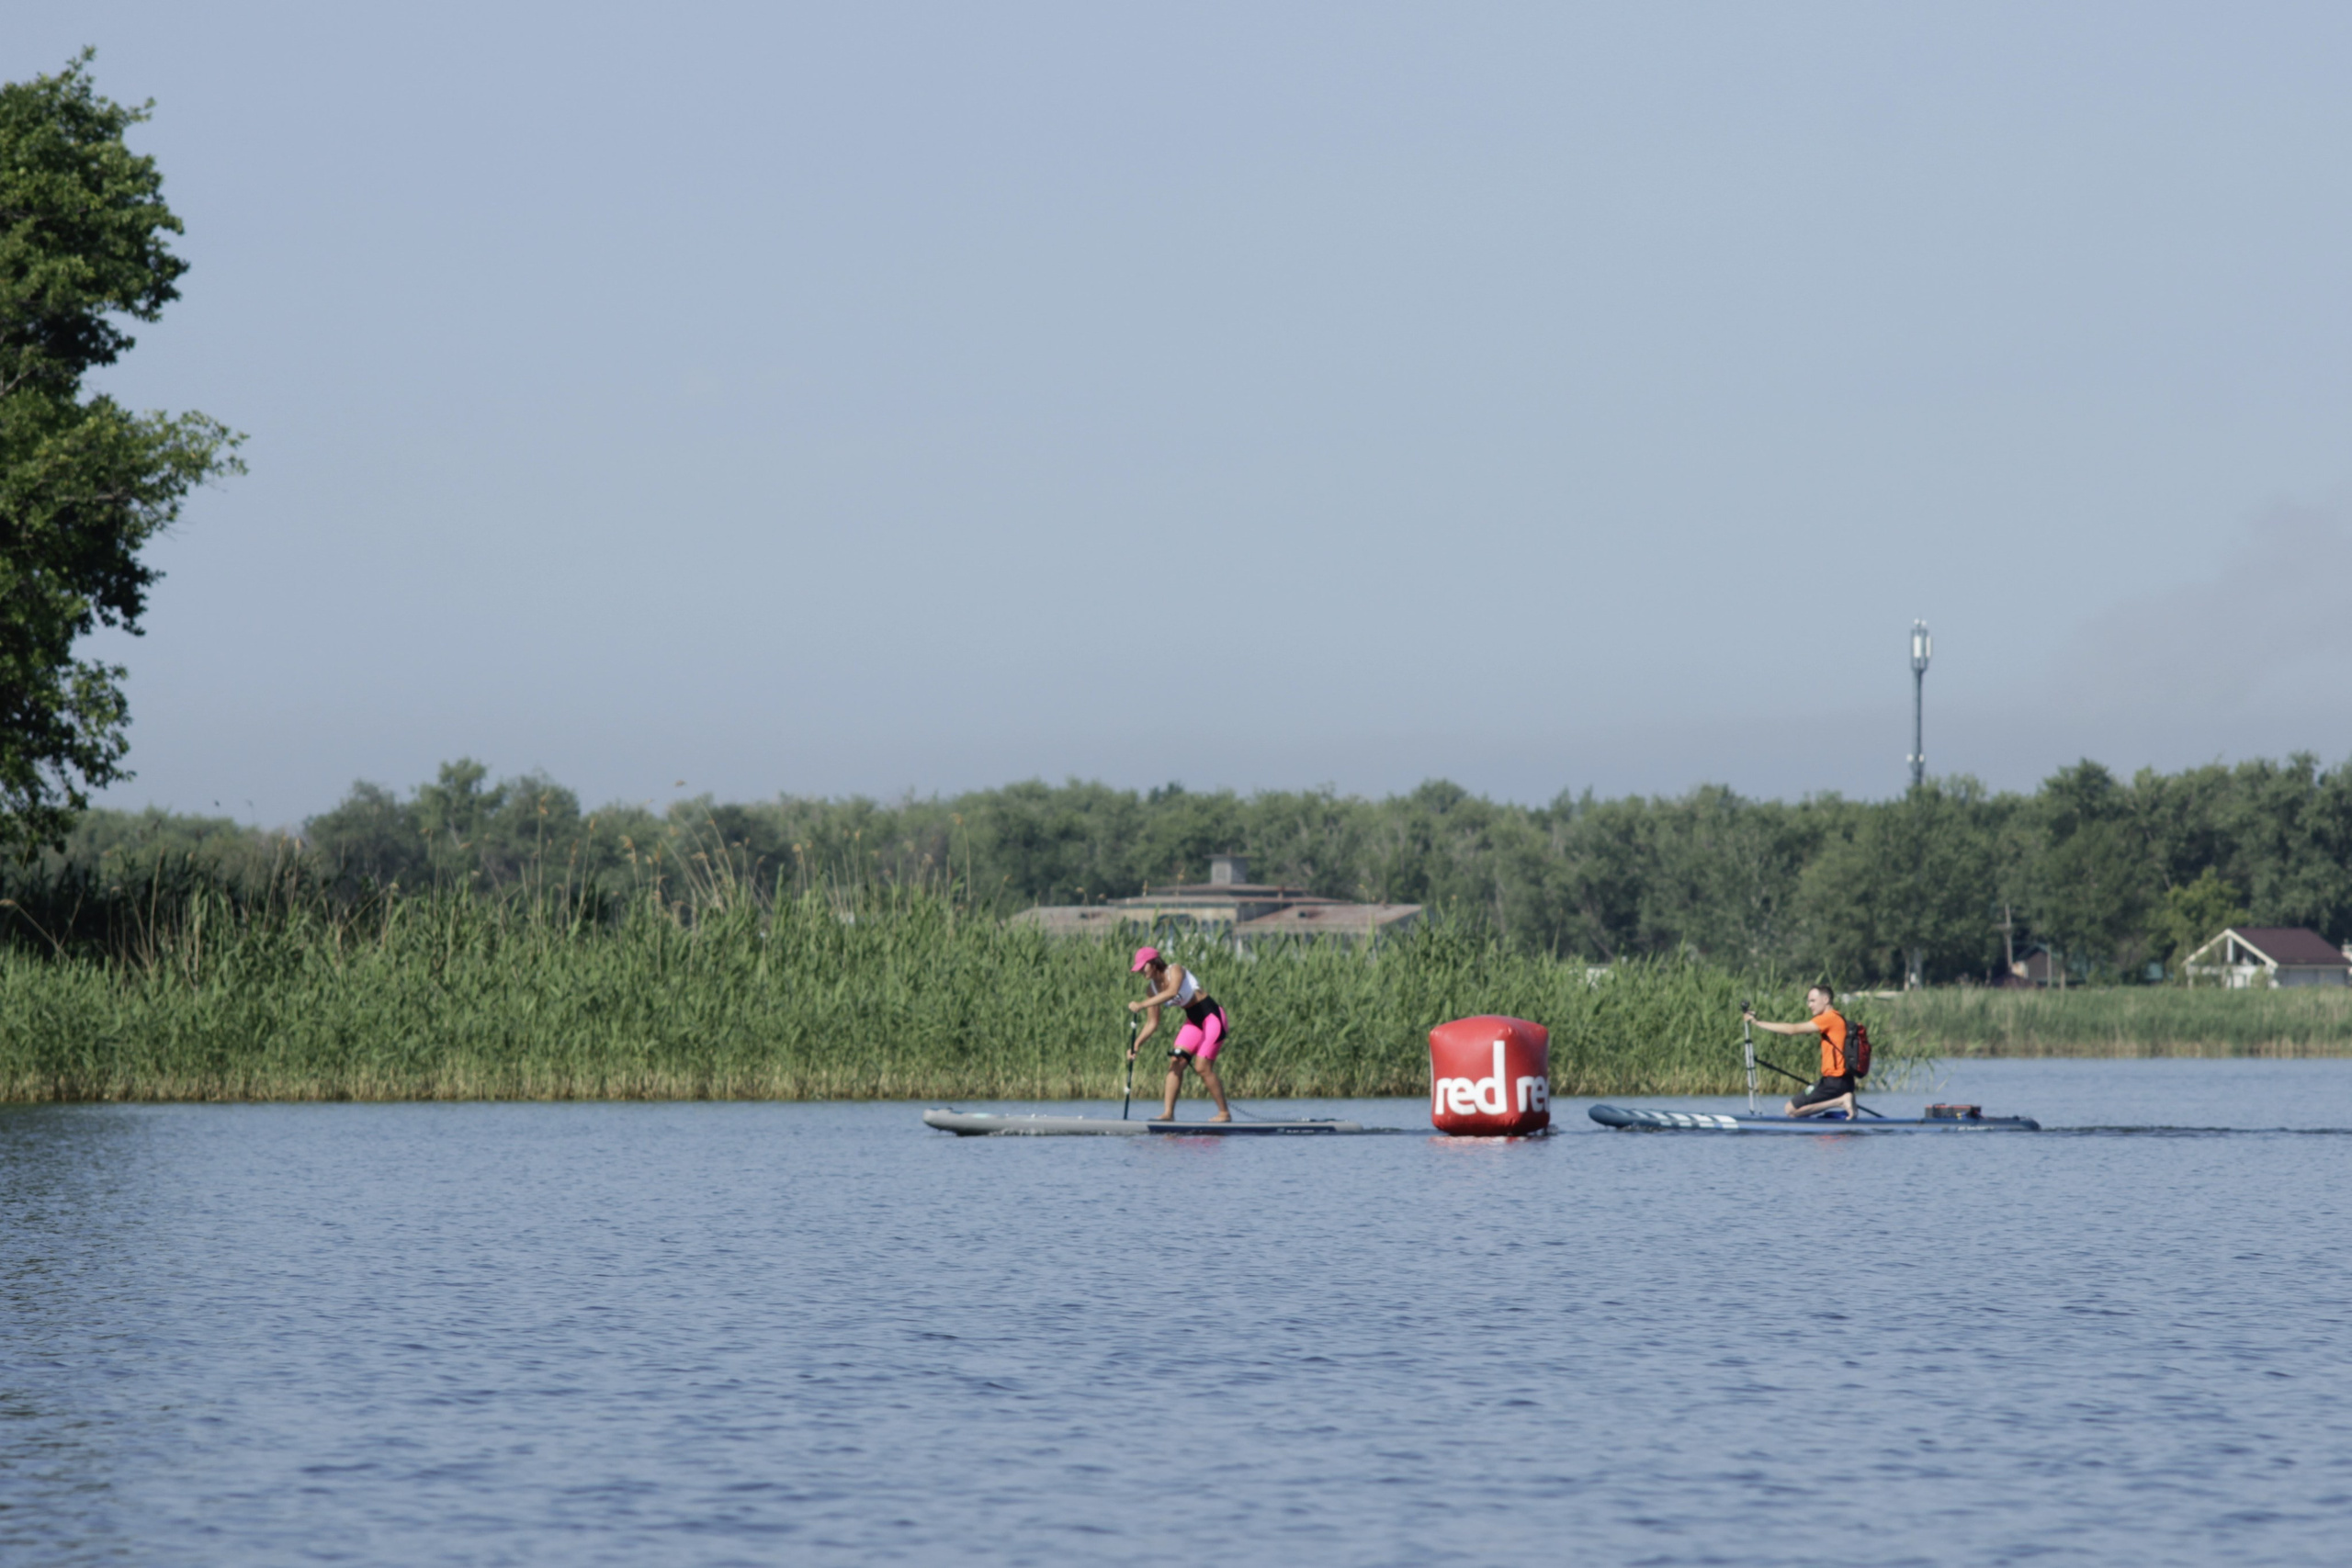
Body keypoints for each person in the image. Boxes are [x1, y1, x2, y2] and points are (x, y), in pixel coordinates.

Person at [1128, 946, 1232, 1122]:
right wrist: (1136, 1044)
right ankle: (1168, 1114)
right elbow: (1152, 1023)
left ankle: (1224, 1113)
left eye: (1142, 966)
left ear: (1154, 963)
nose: (1140, 971)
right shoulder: (1151, 990)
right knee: (1176, 1061)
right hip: (1193, 1021)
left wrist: (1142, 1004)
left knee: (1202, 1067)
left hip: (1212, 1016)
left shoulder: (1175, 970)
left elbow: (1172, 992)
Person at [1743, 987, 1855, 1119]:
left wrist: (1757, 1023)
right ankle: (1849, 1105)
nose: (1809, 1005)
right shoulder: (1838, 1017)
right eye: (1808, 1001)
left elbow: (1792, 1030)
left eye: (1813, 1001)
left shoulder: (1828, 1018)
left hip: (1834, 1081)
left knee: (1790, 1110)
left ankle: (1841, 1101)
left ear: (1825, 1000)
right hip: (1845, 1081)